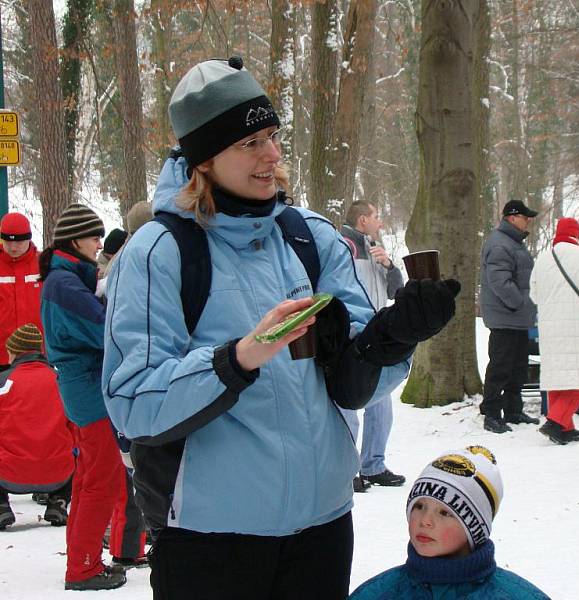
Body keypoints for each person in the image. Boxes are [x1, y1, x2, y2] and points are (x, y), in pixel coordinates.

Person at [102, 56, 459, 600]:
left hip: (322, 526)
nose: (272, 155)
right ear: (204, 160)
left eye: (272, 136)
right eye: (250, 144)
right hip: (209, 539)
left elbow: (350, 387)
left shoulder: (308, 238)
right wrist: (239, 357)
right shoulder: (160, 251)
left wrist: (394, 335)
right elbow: (133, 404)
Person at [40, 203, 146, 591]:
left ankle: (82, 558)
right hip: (90, 392)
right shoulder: (65, 285)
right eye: (93, 236)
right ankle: (84, 568)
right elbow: (106, 328)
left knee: (88, 481)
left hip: (81, 390)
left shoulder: (65, 279)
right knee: (101, 480)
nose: (99, 243)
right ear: (74, 240)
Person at [349, 445, 551, 599]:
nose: (425, 521)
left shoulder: (515, 595)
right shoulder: (379, 593)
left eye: (445, 513)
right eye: (419, 507)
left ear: (475, 528)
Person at [340, 200, 405, 492]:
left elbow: (396, 291)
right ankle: (346, 470)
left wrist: (390, 266)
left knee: (381, 405)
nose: (380, 222)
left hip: (377, 336)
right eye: (377, 216)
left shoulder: (374, 248)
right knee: (347, 410)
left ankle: (373, 466)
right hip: (350, 337)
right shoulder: (342, 247)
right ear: (363, 220)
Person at [531, 217, 579, 444]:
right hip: (575, 325)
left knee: (557, 379)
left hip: (547, 326)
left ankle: (566, 427)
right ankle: (555, 422)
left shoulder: (543, 258)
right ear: (576, 234)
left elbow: (534, 295)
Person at [0, 323, 74, 530]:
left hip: (9, 472)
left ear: (15, 352)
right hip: (58, 472)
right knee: (70, 448)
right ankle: (58, 502)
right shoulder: (61, 380)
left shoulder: (3, 382)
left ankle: (1, 506)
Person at [479, 199, 540, 434]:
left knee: (518, 367)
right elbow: (500, 282)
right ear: (512, 218)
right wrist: (520, 303)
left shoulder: (513, 243)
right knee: (500, 367)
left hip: (517, 317)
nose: (529, 222)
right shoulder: (500, 244)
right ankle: (492, 413)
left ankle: (514, 410)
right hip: (505, 316)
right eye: (526, 218)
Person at [0, 212, 43, 369]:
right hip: (2, 356)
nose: (12, 247)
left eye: (19, 242)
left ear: (29, 238)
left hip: (37, 355)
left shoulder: (44, 263)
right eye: (7, 241)